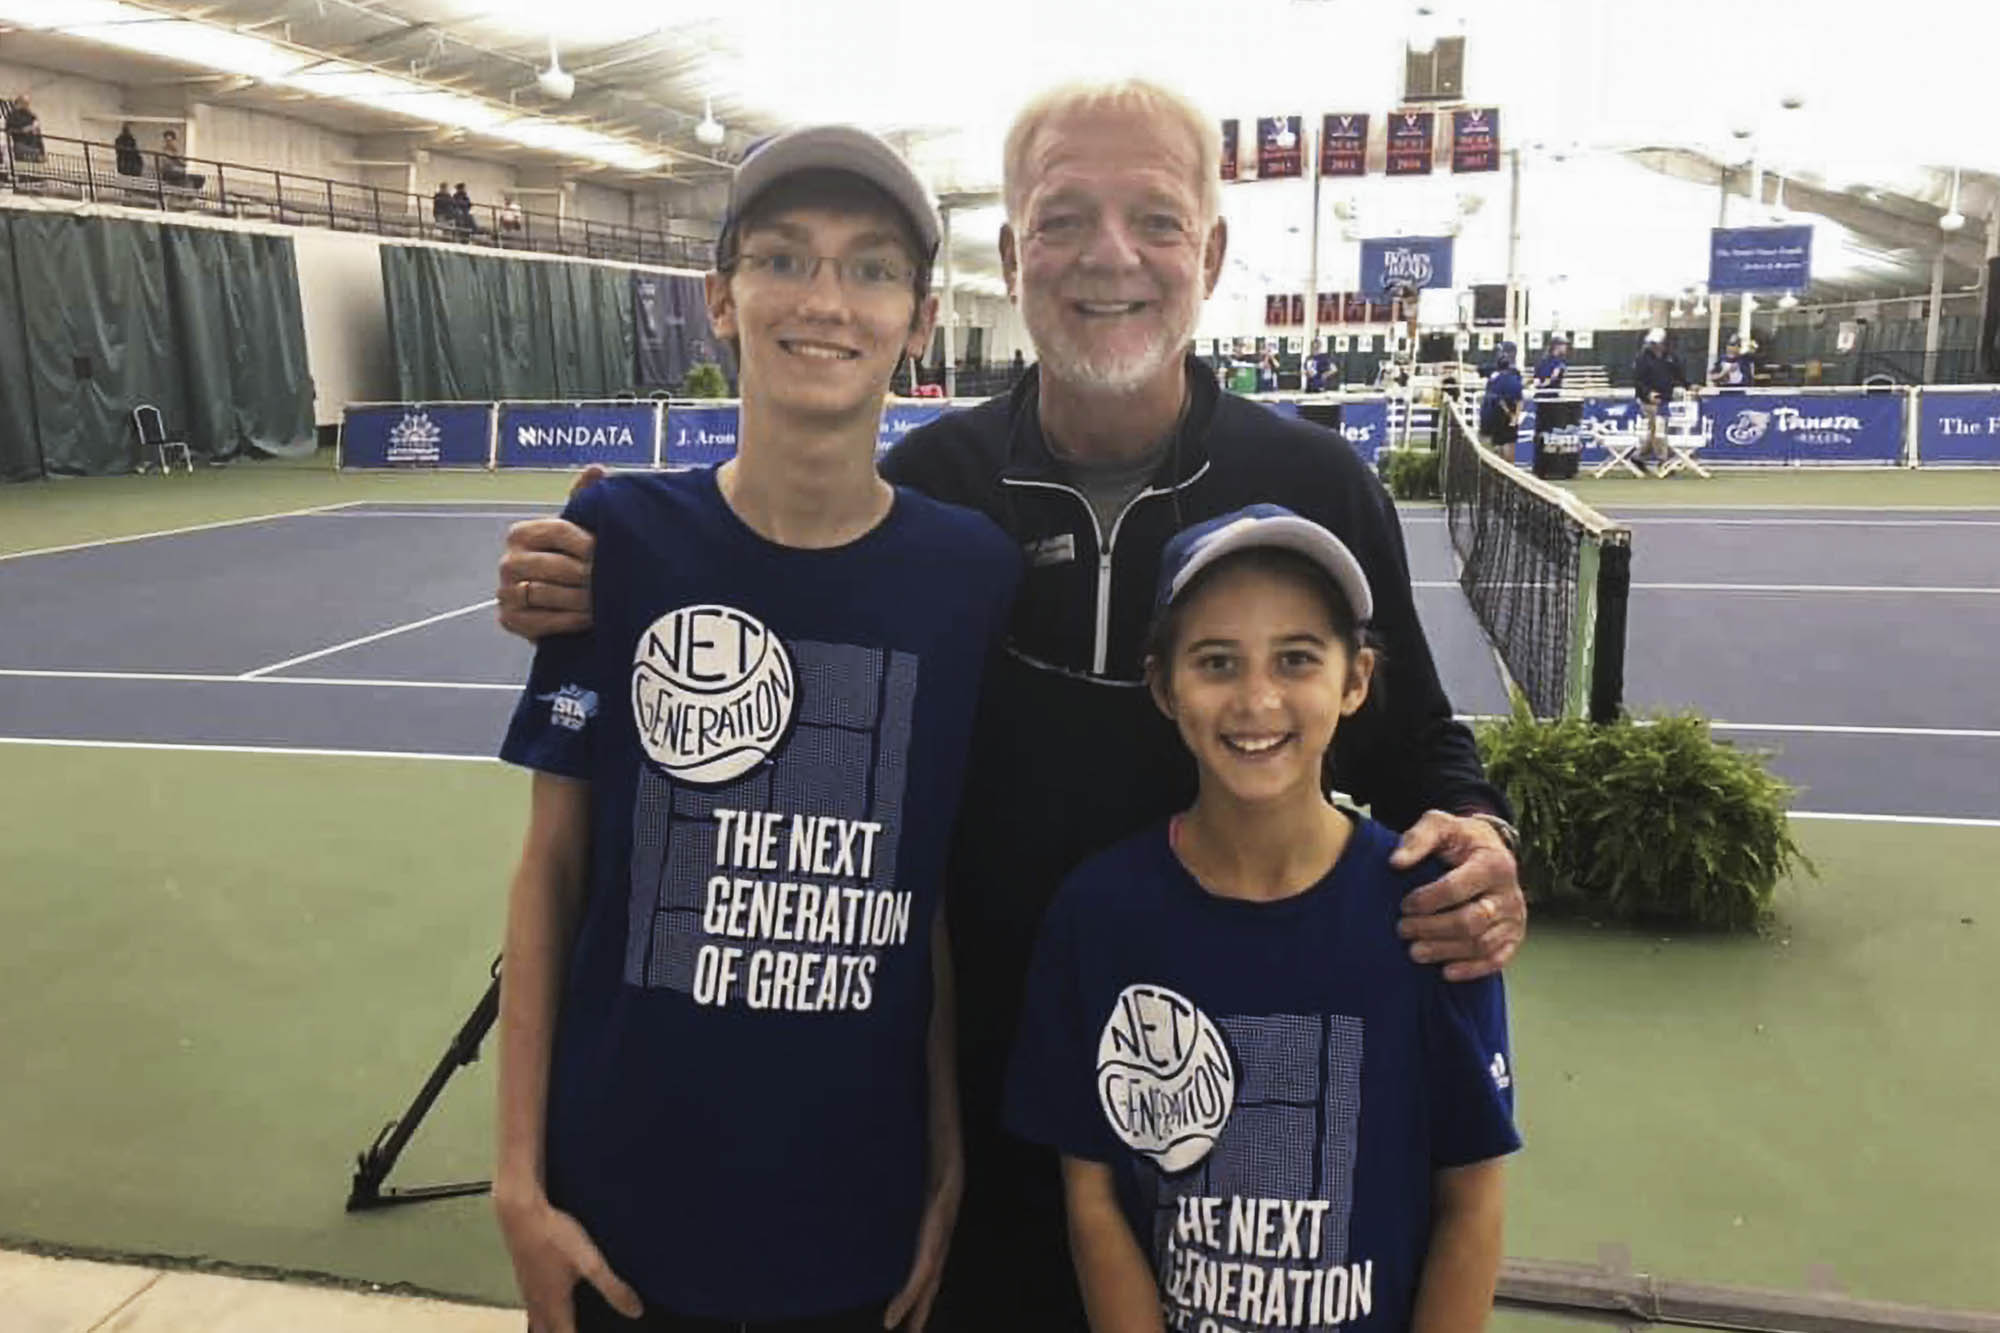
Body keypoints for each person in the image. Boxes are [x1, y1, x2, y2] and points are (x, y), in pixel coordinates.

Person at [496, 79, 1527, 1333]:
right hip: (960, 1130)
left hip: (1194, 1150)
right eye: (1062, 220)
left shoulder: (1309, 483)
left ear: (1207, 253)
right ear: (1009, 256)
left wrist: (1475, 831)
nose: (1109, 258)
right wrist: (612, 572)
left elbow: (1414, 739)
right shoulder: (932, 490)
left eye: (1154, 220)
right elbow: (781, 598)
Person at [493, 124, 1020, 1333]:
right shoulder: (614, 544)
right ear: (720, 301)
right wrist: (518, 1185)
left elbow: (924, 896)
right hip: (615, 1229)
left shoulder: (967, 577)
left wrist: (942, 1168)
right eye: (784, 259)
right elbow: (551, 871)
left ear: (921, 318)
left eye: (871, 267)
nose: (824, 300)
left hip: (858, 1239)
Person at [1007, 505, 1517, 1333]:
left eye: (1296, 659)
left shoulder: (1431, 913)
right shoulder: (1098, 917)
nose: (1256, 699)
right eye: (1216, 661)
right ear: (1164, 686)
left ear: (1355, 681)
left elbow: (1472, 1198)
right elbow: (1093, 1191)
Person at [1632, 327, 1680, 473]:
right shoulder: (1642, 359)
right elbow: (1638, 381)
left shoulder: (1669, 357)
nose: (1655, 346)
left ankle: (1638, 456)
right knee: (1659, 430)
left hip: (1665, 399)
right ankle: (1663, 461)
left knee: (1655, 431)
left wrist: (1688, 385)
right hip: (1649, 401)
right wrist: (1648, 394)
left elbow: (1678, 373)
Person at [1478, 341, 1524, 455]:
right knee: (1493, 444)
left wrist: (1514, 415)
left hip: (1504, 412)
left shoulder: (1514, 373)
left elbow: (1517, 398)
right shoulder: (1492, 369)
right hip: (1492, 411)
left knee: (1506, 444)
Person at [4, 92, 43, 164]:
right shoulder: (13, 115)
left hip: (33, 146)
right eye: (25, 103)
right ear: (20, 103)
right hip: (20, 145)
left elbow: (38, 135)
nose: (27, 105)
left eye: (28, 103)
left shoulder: (31, 115)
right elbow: (12, 129)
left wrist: (42, 151)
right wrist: (30, 128)